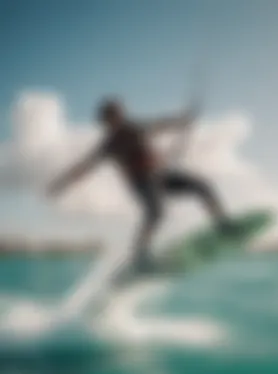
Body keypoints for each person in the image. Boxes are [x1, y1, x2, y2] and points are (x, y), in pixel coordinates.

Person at [47, 98, 234, 285]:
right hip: (141, 182)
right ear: (106, 121)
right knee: (156, 212)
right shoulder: (109, 145)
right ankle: (140, 257)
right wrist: (61, 183)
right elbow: (85, 166)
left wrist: (182, 121)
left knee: (202, 186)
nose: (115, 121)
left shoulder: (135, 128)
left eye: (118, 115)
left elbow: (161, 125)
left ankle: (223, 225)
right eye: (111, 118)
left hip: (160, 176)